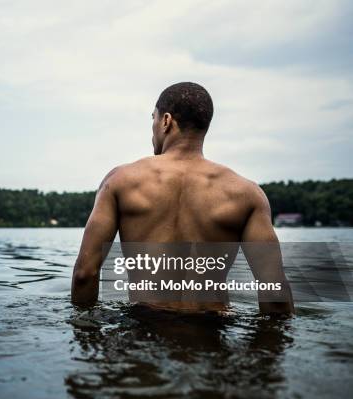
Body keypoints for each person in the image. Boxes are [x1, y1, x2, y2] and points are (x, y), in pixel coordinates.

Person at [70, 82, 294, 314]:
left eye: (153, 119)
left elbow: (85, 274)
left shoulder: (119, 181)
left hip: (144, 330)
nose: (153, 128)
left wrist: (88, 340)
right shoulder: (246, 193)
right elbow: (275, 292)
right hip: (212, 333)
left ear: (166, 121)